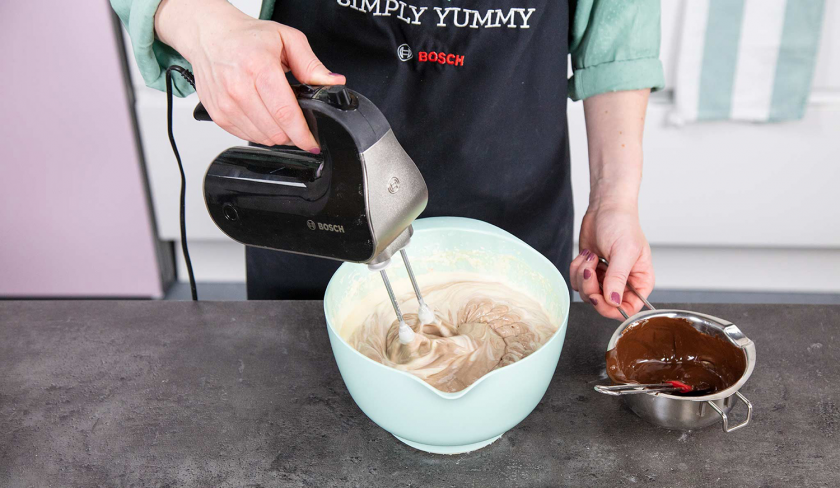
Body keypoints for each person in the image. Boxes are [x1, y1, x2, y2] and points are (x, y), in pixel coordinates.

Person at [112, 0, 663, 320]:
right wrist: (204, 27)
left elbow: (619, 37)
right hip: (319, 197)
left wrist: (614, 199)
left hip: (511, 202)